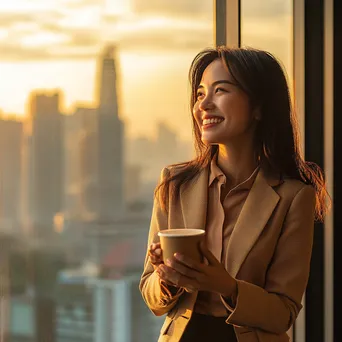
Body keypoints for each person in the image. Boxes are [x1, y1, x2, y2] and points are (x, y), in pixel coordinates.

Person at [139, 46, 329, 342]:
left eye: (221, 91)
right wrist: (166, 278)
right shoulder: (175, 183)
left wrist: (227, 287)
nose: (204, 105)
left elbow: (283, 312)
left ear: (259, 107)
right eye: (200, 94)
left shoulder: (293, 197)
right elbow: (151, 296)